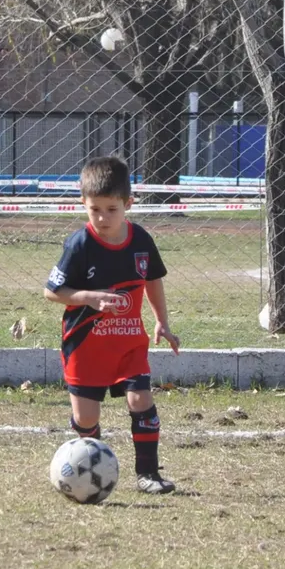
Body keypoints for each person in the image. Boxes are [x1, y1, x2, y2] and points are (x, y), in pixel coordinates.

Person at [43, 156, 180, 495]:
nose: (103, 218)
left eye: (111, 209)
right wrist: (88, 296)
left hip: (129, 342)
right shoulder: (80, 245)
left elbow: (152, 280)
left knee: (140, 400)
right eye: (95, 210)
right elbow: (52, 292)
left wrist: (162, 321)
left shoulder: (141, 240)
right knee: (87, 420)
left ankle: (148, 474)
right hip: (86, 345)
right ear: (83, 204)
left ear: (128, 204)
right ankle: (90, 471)